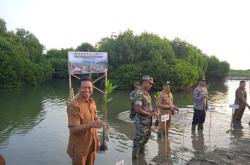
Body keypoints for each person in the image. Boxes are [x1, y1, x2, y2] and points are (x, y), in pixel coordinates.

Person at [67, 77, 104, 165]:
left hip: (91, 145)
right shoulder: (74, 105)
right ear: (79, 89)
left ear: (92, 88)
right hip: (79, 148)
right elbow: (73, 129)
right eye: (84, 87)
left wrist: (97, 140)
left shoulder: (92, 102)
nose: (87, 90)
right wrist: (92, 124)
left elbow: (95, 122)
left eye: (89, 87)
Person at [132, 75, 160, 159]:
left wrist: (154, 111)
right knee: (139, 140)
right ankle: (134, 158)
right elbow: (138, 109)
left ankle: (141, 157)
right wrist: (150, 114)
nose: (151, 85)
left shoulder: (146, 93)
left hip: (147, 122)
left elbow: (147, 107)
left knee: (145, 139)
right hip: (141, 123)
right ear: (145, 82)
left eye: (152, 84)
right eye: (150, 83)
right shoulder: (139, 93)